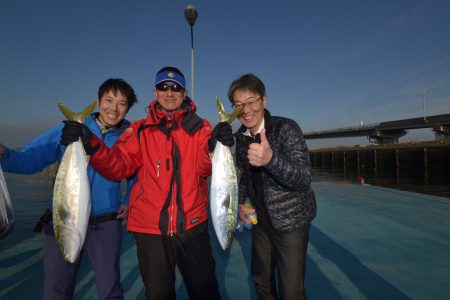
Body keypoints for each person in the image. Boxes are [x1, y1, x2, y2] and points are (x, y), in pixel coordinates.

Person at [60, 66, 227, 300]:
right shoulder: (138, 130)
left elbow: (205, 168)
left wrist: (215, 147)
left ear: (184, 91)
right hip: (149, 228)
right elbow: (119, 166)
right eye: (163, 87)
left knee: (205, 291)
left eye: (175, 88)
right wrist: (91, 144)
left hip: (192, 224)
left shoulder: (201, 127)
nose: (169, 92)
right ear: (155, 91)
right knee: (158, 294)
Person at [0, 78, 138, 300]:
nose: (114, 108)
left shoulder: (131, 136)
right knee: (56, 290)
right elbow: (30, 160)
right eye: (109, 100)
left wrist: (129, 199)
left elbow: (137, 174)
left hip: (105, 223)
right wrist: (4, 154)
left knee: (110, 288)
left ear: (128, 108)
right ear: (99, 101)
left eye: (122, 103)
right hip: (62, 220)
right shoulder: (68, 131)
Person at [226, 73, 316, 300]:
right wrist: (243, 203)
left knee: (291, 291)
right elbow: (244, 178)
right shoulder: (241, 136)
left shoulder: (286, 128)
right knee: (261, 281)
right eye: (238, 105)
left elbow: (303, 177)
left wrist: (271, 159)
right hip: (260, 224)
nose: (245, 110)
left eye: (251, 102)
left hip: (291, 223)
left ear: (263, 101)